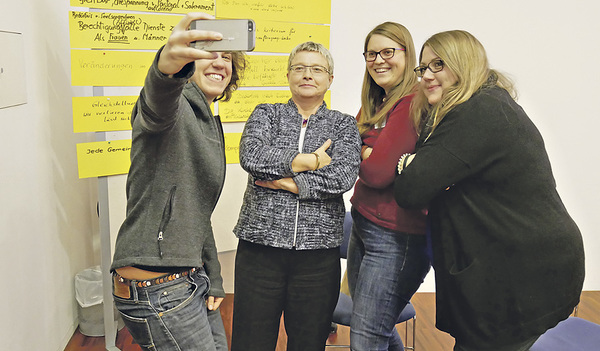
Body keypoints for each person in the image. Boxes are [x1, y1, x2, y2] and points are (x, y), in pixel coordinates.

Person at [394, 30, 585, 351]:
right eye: (423, 68)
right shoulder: (486, 103)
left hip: (523, 271)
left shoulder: (477, 113)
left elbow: (411, 188)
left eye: (438, 65)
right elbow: (426, 176)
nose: (426, 76)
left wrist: (409, 165)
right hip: (518, 262)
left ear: (464, 63)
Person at [110, 12, 247, 351]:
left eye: (226, 56)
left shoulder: (208, 118)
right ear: (188, 64)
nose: (219, 62)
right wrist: (165, 68)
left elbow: (195, 213)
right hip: (156, 286)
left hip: (189, 277)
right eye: (206, 53)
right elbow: (156, 103)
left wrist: (214, 279)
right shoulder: (175, 107)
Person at [231, 41, 362, 351]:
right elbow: (252, 156)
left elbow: (342, 177)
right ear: (288, 75)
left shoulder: (343, 125)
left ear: (330, 79)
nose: (307, 75)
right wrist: (311, 161)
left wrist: (282, 182)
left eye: (316, 69)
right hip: (259, 249)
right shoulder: (266, 114)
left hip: (317, 257)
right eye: (300, 68)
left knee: (308, 342)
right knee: (250, 341)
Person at [346, 22, 431, 351]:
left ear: (407, 54)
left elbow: (379, 172)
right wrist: (369, 152)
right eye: (371, 54)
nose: (379, 60)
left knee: (367, 338)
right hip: (364, 222)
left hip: (397, 236)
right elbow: (348, 145)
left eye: (388, 52)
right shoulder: (378, 100)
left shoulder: (411, 101)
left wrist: (367, 151)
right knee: (373, 329)